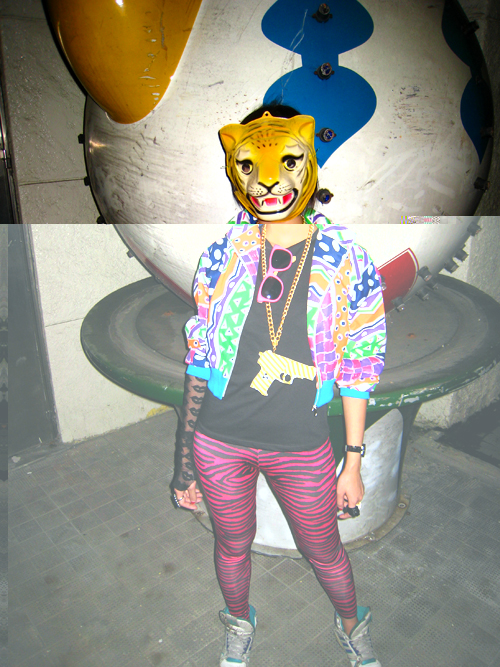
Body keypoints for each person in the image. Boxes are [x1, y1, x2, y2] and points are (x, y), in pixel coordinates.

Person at [171, 104, 387, 667]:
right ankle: (238, 623)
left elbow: (360, 365)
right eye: (249, 166)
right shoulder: (223, 254)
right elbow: (199, 361)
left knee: (323, 549)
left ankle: (352, 625)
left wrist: (354, 461)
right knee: (231, 545)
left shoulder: (347, 258)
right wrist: (184, 463)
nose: (267, 181)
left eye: (286, 161)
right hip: (219, 439)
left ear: (307, 161)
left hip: (301, 443)